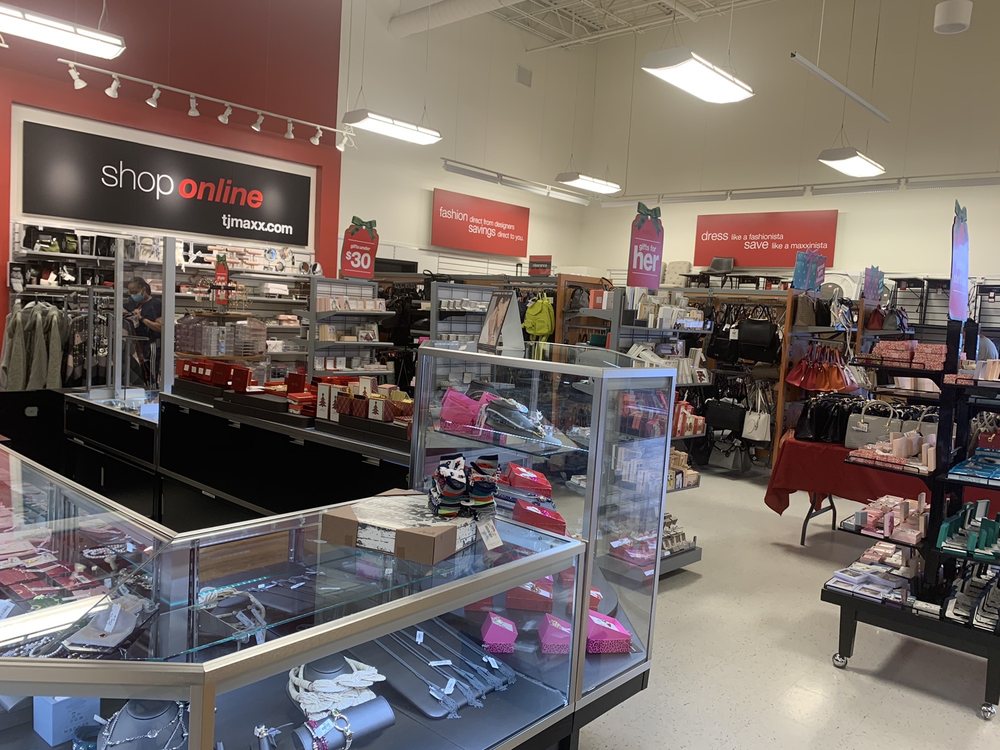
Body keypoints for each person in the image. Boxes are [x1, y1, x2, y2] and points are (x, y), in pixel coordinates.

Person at [124, 277, 162, 387]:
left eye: (135, 292)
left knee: (151, 374)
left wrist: (141, 319)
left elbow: (160, 327)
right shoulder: (134, 304)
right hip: (138, 346)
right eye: (130, 293)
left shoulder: (156, 304)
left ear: (144, 289)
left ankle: (152, 391)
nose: (133, 295)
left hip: (151, 344)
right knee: (139, 375)